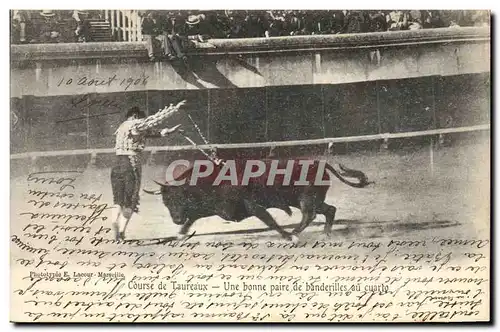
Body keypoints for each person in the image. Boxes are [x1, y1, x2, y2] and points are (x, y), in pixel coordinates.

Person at [110, 101, 186, 241]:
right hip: (130, 164)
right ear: (134, 116)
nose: (142, 121)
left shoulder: (122, 128)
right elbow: (152, 121)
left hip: (116, 164)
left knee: (117, 200)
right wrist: (174, 108)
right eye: (140, 118)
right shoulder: (134, 124)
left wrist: (169, 131)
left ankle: (114, 220)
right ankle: (121, 231)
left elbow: (152, 132)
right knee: (130, 201)